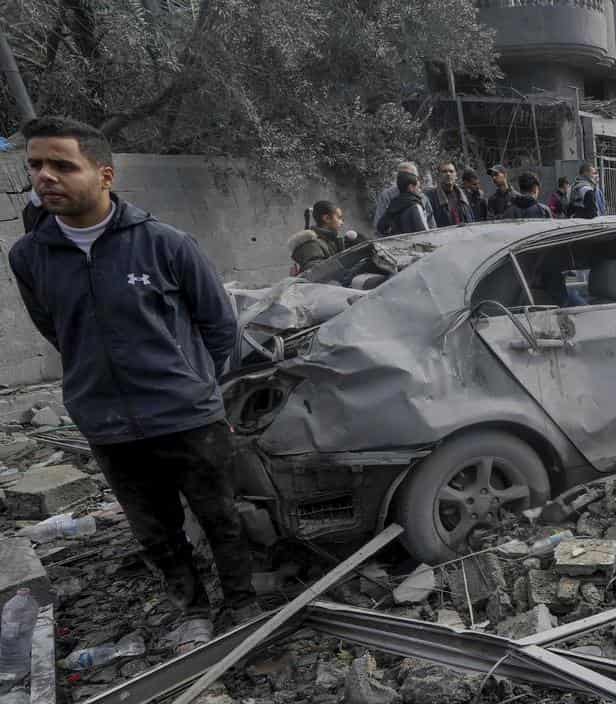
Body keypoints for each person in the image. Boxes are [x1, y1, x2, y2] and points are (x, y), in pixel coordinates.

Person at [7, 117, 259, 652]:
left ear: (104, 175)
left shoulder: (165, 244)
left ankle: (242, 603)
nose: (45, 177)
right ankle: (191, 610)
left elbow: (219, 325)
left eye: (61, 165)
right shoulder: (29, 257)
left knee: (220, 516)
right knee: (154, 531)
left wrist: (196, 387)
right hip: (107, 423)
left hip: (187, 417)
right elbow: (56, 329)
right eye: (35, 165)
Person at [290, 200, 358, 274]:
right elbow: (316, 272)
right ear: (327, 218)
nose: (342, 222)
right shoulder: (310, 244)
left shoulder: (331, 241)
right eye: (339, 218)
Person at [374, 161, 433, 234]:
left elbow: (431, 225)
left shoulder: (423, 198)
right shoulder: (387, 196)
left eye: (408, 176)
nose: (404, 179)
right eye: (401, 176)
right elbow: (379, 227)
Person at [426, 161, 473, 227]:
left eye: (451, 171)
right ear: (438, 176)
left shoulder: (465, 195)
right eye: (444, 171)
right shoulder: (430, 198)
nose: (448, 174)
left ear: (456, 175)